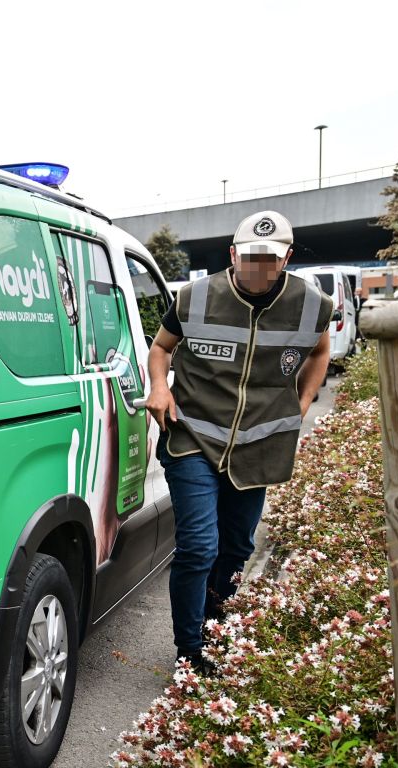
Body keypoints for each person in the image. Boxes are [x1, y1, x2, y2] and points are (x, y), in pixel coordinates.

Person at [144, 210, 332, 674]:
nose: (259, 268)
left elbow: (321, 349)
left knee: (237, 548)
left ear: (286, 257)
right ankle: (189, 651)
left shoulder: (312, 304)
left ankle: (214, 621)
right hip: (193, 435)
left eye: (270, 259)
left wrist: (304, 401)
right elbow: (161, 347)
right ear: (233, 255)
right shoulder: (196, 296)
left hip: (257, 445)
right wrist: (160, 387)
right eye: (250, 258)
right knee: (198, 547)